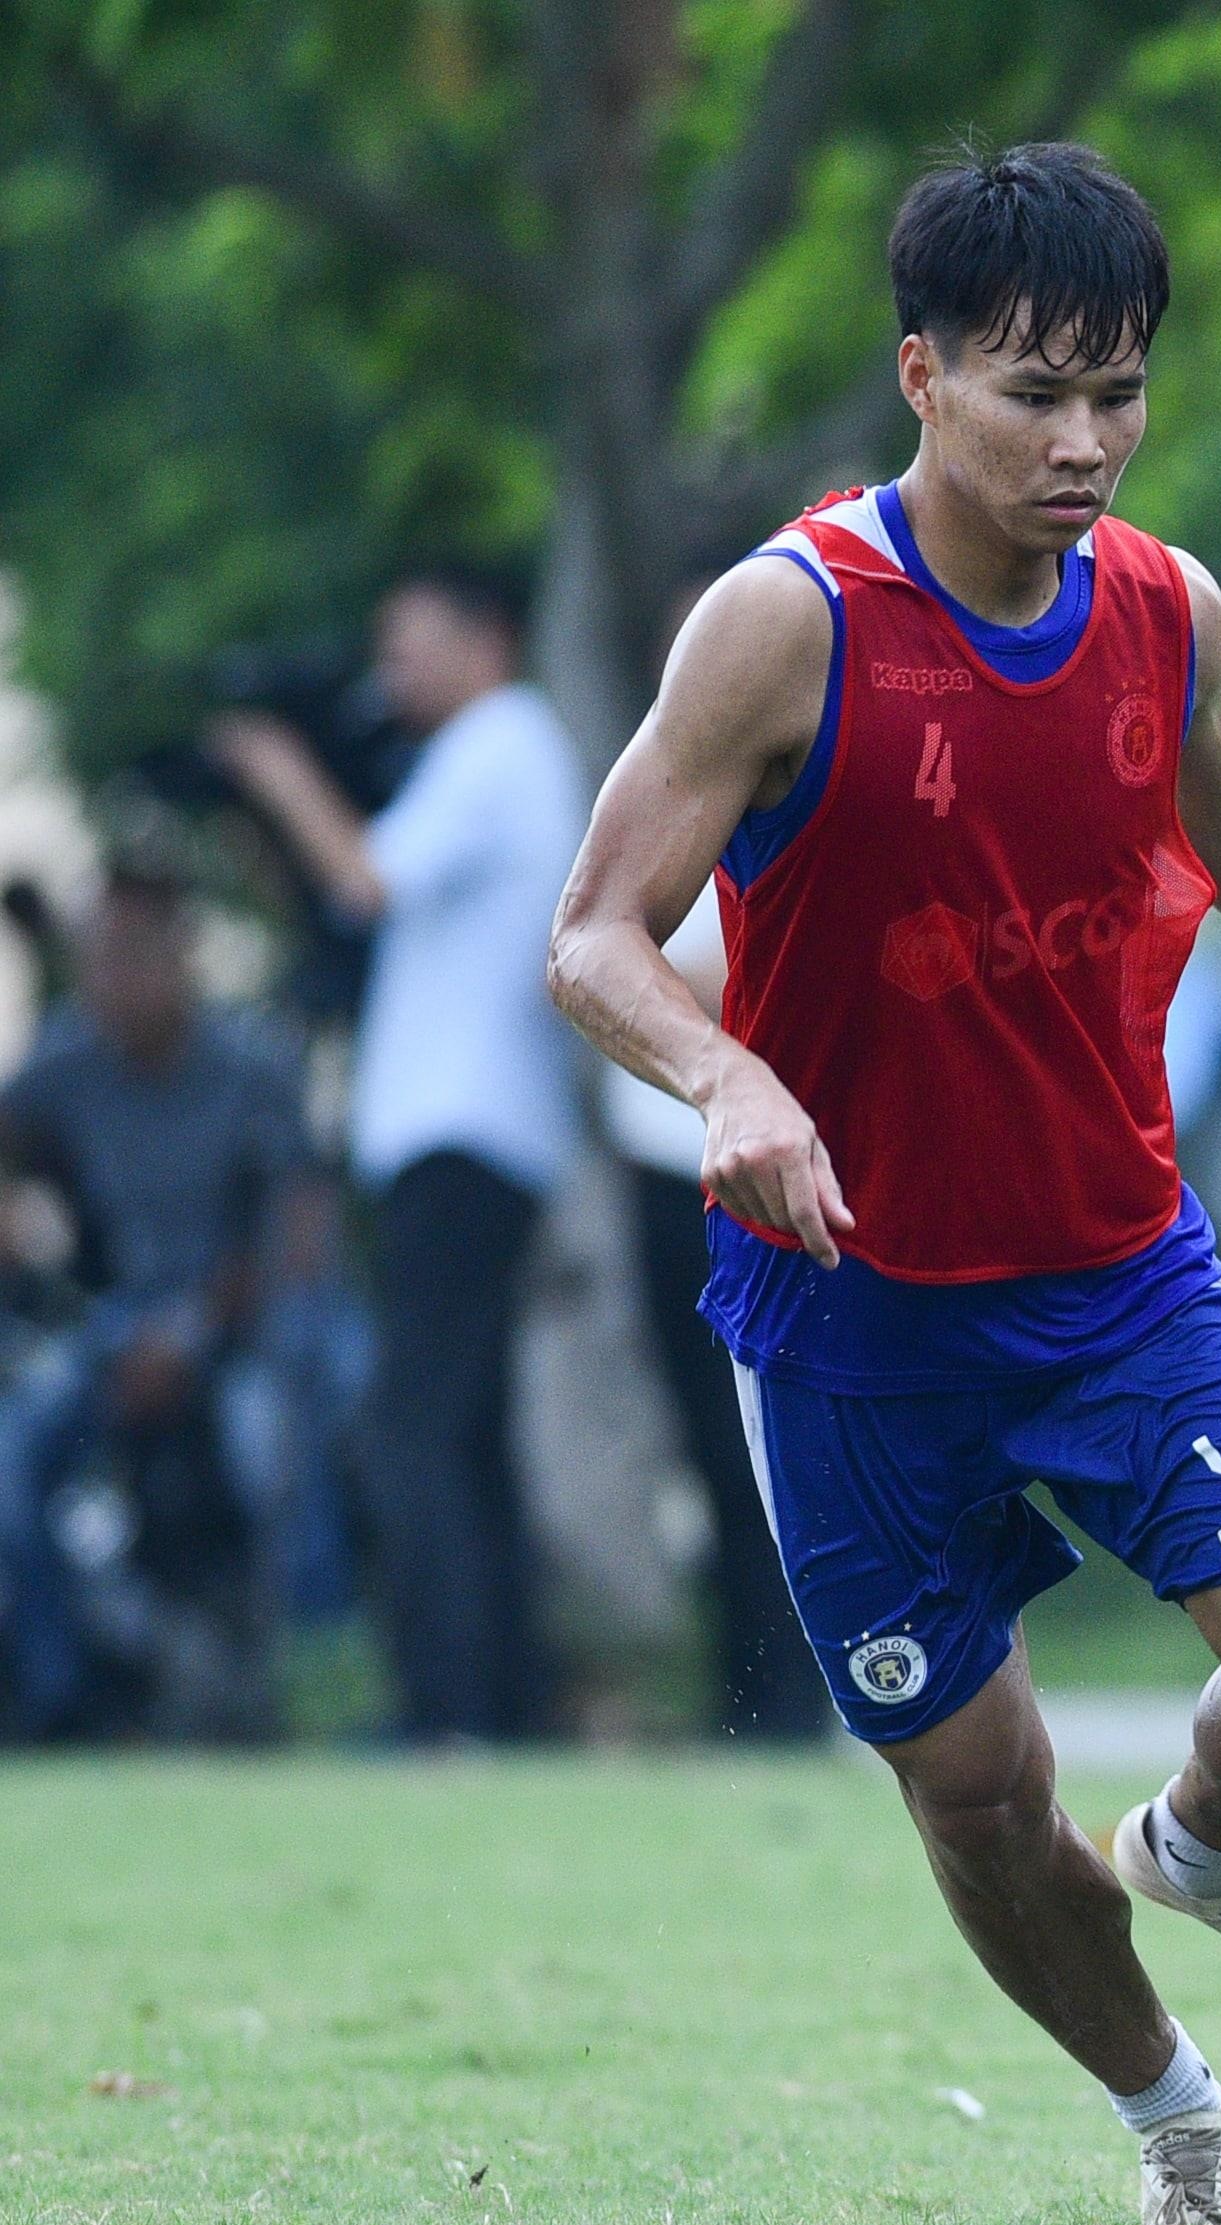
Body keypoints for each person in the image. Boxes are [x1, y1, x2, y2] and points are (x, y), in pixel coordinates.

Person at [546, 143, 1221, 2225]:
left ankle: (1210, 1847)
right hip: (848, 1321)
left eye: (1118, 390)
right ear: (920, 374)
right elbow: (592, 937)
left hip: (1117, 1272)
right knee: (974, 1790)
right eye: (1036, 392)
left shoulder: (1163, 603)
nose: (1086, 440)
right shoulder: (785, 623)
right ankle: (1176, 2118)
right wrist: (726, 1068)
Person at [210, 568, 589, 1743]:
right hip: (475, 1136)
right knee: (462, 1429)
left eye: (406, 640)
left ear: (488, 639)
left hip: (462, 1135)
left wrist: (276, 771)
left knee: (406, 1429)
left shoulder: (502, 739)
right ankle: (503, 1701)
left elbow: (363, 878)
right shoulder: (482, 757)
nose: (390, 668)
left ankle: (444, 1707)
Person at [0, 844, 315, 1739]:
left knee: (277, 1442)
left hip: (234, 1324)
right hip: (108, 1324)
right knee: (17, 1453)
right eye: (98, 958)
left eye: (133, 955)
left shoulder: (247, 1067)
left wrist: (193, 1334)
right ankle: (62, 1700)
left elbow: (290, 1228)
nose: (114, 981)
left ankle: (277, 1685)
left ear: (180, 956)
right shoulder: (65, 1062)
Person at [599, 876, 827, 1741]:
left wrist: (624, 967)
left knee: (758, 1447)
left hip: (748, 1165)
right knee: (712, 1451)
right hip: (664, 1167)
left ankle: (790, 1700)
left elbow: (752, 963)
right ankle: (746, 1692)